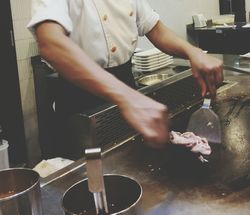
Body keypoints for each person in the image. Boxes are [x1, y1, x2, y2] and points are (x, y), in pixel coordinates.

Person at [27, 0, 223, 150]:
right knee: (87, 180)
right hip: (80, 98)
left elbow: (155, 29)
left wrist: (192, 52)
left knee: (132, 160)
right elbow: (50, 42)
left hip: (126, 87)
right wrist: (127, 97)